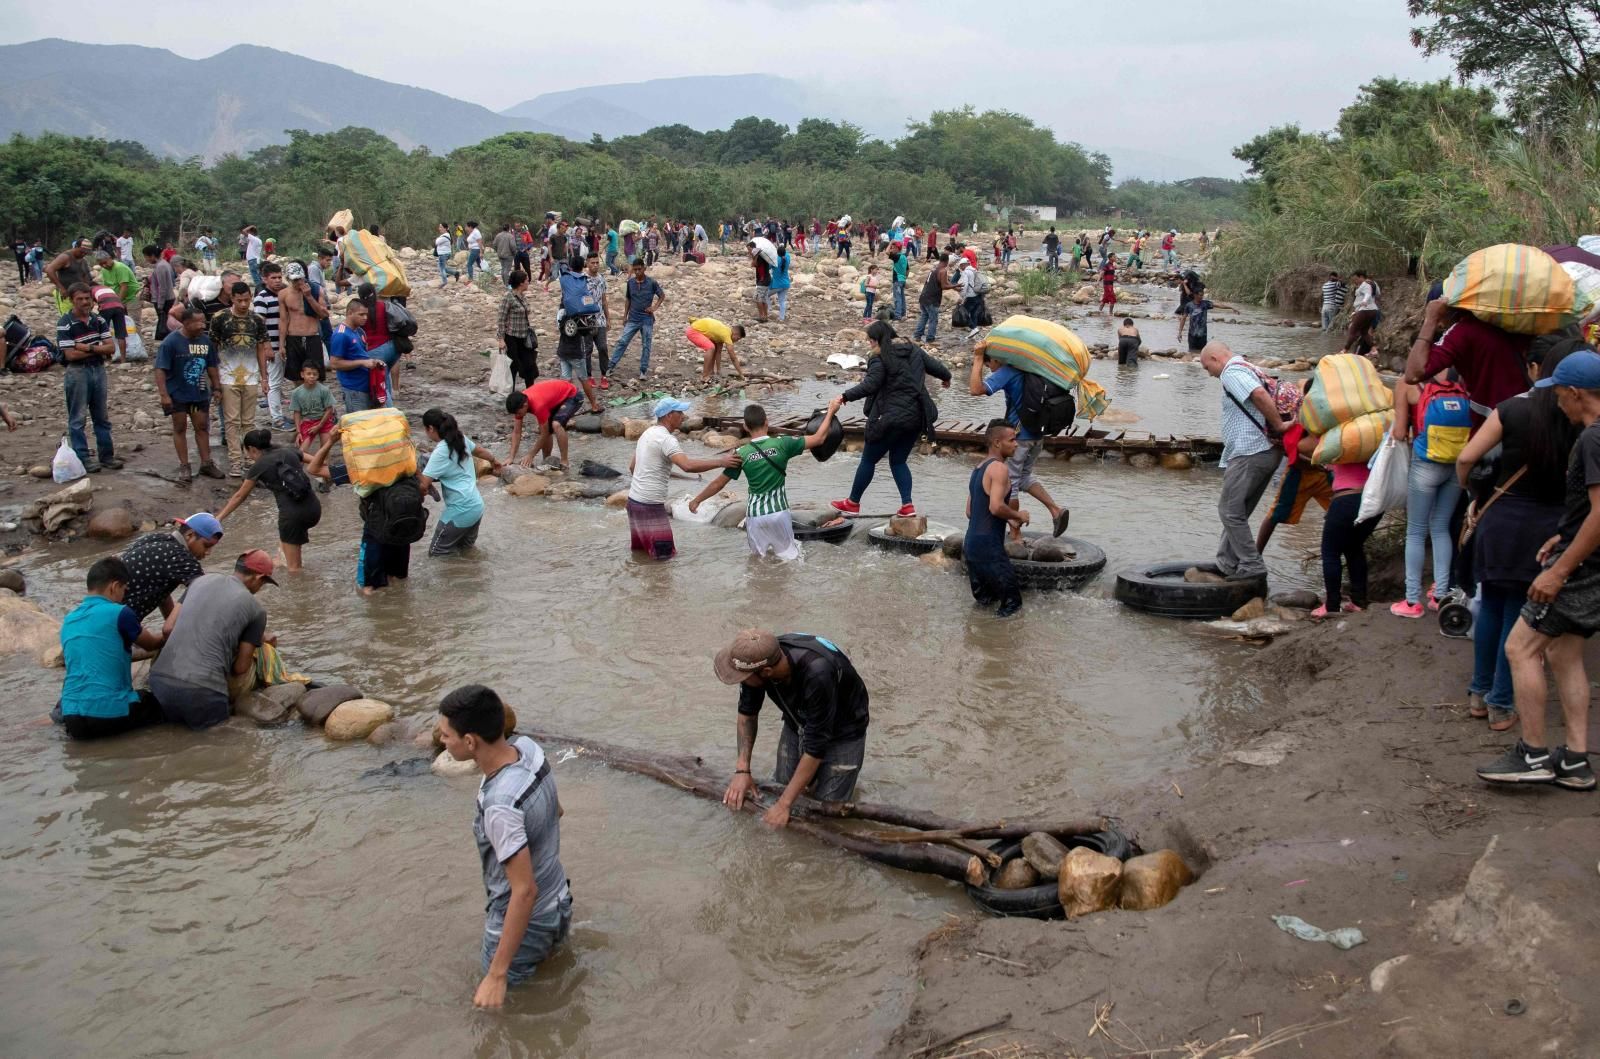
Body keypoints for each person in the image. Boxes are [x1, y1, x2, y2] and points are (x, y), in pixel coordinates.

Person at [1476, 350, 1600, 791]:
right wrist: (1562, 537)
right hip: (1582, 558)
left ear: (1575, 393)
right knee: (1565, 656)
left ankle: (1532, 754)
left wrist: (1559, 569)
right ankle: (1575, 761)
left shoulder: (1591, 439)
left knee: (1520, 649)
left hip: (1581, 569)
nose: (1557, 406)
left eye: (1560, 396)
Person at [1457, 338, 1583, 731]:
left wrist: (1474, 496)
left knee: (1492, 606)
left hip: (1501, 521)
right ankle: (1501, 703)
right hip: (1548, 526)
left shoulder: (1511, 409)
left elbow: (1466, 458)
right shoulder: (1578, 419)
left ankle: (1479, 694)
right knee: (1520, 615)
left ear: (1537, 369)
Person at [435, 685, 570, 1006]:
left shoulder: (499, 806)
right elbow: (558, 810)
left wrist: (497, 975)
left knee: (499, 1015)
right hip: (560, 902)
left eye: (445, 735)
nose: (441, 741)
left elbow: (523, 892)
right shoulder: (529, 749)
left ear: (470, 742)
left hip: (526, 924)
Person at [715, 628, 870, 828]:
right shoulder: (758, 658)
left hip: (845, 730)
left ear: (767, 672)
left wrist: (784, 804)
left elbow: (815, 748)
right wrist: (742, 771)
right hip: (798, 718)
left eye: (742, 677)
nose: (741, 680)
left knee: (825, 815)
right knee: (779, 788)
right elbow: (747, 714)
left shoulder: (817, 674)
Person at [688, 399, 844, 561]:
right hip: (779, 513)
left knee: (758, 560)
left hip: (755, 517)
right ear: (766, 422)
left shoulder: (741, 453)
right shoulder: (783, 443)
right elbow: (819, 438)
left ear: (746, 427)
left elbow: (718, 483)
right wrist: (831, 411)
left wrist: (697, 501)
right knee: (789, 558)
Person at [831, 321, 951, 517]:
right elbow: (940, 369)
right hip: (916, 418)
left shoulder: (879, 358)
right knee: (898, 461)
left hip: (888, 418)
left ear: (878, 340)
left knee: (868, 459)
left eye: (870, 340)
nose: (869, 344)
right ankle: (907, 506)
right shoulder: (913, 350)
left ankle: (853, 503)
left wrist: (844, 396)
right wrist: (946, 379)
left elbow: (871, 384)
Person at [148, 549, 276, 728]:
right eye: (263, 583)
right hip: (203, 692)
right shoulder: (256, 610)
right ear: (258, 577)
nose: (260, 588)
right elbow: (240, 668)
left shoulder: (199, 581)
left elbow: (168, 629)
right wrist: (257, 644)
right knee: (219, 739)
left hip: (158, 682)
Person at [55, 557, 169, 740]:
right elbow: (152, 643)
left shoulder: (69, 621)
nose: (125, 594)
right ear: (114, 587)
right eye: (124, 589)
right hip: (108, 715)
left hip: (72, 718)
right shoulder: (120, 613)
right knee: (156, 705)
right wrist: (172, 631)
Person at [1201, 342, 1286, 580]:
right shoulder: (1248, 366)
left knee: (1228, 510)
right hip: (1267, 451)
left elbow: (1258, 394)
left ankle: (1251, 564)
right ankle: (1227, 563)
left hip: (1251, 450)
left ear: (1217, 359)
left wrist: (1278, 425)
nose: (1209, 373)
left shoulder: (1232, 372)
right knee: (1238, 510)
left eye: (1207, 367)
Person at [1388, 372, 1470, 617]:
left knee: (1415, 531)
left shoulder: (1409, 382)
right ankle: (1440, 595)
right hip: (1456, 464)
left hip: (1425, 463)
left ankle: (1412, 601)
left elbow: (1400, 432)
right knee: (1441, 527)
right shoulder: (1460, 381)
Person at [968, 347, 1071, 538]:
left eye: (990, 364)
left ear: (998, 359)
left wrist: (978, 358)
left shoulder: (1008, 371)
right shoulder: (1036, 369)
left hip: (1017, 438)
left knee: (1011, 483)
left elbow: (975, 389)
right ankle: (1055, 510)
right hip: (1037, 435)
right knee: (1024, 477)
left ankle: (1015, 534)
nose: (991, 369)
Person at [626, 397, 741, 560]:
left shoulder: (647, 433)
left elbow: (632, 467)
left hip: (634, 503)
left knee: (641, 555)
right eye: (679, 412)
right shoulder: (666, 439)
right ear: (668, 415)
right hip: (651, 507)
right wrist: (721, 462)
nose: (683, 416)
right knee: (664, 559)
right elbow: (687, 466)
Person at [214, 429, 328, 571]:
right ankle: (280, 559)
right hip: (313, 509)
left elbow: (239, 496)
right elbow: (317, 463)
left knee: (294, 570)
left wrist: (219, 518)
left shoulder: (258, 467)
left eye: (247, 452)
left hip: (292, 517)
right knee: (285, 544)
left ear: (252, 449)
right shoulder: (289, 451)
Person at [55, 283, 122, 474]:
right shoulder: (65, 322)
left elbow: (111, 348)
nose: (85, 302)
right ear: (71, 300)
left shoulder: (98, 319)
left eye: (87, 298)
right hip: (77, 372)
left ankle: (106, 456)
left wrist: (87, 348)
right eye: (80, 299)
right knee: (78, 418)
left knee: (101, 416)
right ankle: (83, 458)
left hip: (97, 370)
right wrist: (98, 349)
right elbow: (70, 356)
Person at [965, 420, 1030, 616]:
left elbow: (970, 511)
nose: (1016, 444)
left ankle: (975, 642)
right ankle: (998, 645)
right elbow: (995, 507)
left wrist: (1007, 519)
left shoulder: (978, 469)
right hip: (989, 548)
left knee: (985, 603)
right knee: (1012, 606)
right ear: (997, 442)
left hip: (971, 546)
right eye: (1012, 439)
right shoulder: (999, 469)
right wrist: (1018, 514)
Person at [416, 408, 501, 557]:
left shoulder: (441, 451)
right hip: (476, 507)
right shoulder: (459, 438)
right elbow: (480, 451)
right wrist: (494, 461)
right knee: (466, 553)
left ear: (430, 428)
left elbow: (423, 485)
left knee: (437, 553)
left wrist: (413, 470)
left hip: (460, 510)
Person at [119, 514, 224, 632]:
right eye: (206, 546)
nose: (208, 552)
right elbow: (202, 590)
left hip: (104, 613)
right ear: (190, 535)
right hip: (117, 624)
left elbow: (162, 590)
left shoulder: (156, 539)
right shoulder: (181, 557)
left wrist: (171, 622)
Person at [209, 280, 271, 476]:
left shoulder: (257, 320)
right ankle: (235, 460)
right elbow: (213, 348)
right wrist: (215, 380)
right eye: (239, 300)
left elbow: (261, 348)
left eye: (246, 300)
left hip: (251, 376)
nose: (244, 304)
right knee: (231, 421)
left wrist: (264, 378)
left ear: (251, 298)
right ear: (232, 299)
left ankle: (248, 458)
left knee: (249, 422)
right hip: (228, 376)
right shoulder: (220, 318)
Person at [155, 304, 223, 482]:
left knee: (202, 426)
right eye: (197, 323)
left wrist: (216, 387)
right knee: (179, 427)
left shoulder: (205, 341)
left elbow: (212, 366)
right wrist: (164, 395)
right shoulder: (170, 343)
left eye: (203, 322)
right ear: (185, 323)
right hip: (177, 393)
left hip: (199, 393)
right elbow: (160, 369)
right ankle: (184, 465)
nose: (202, 326)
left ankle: (206, 463)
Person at [1312, 441, 1377, 618]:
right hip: (1374, 499)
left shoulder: (1341, 436)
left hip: (1346, 498)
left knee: (1330, 551)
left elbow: (1310, 448)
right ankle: (1358, 601)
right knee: (1354, 547)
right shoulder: (1372, 436)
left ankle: (1331, 605)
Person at [504, 378, 601, 470]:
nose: (517, 416)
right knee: (545, 428)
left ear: (525, 405)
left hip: (573, 395)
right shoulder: (520, 404)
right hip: (554, 399)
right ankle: (547, 460)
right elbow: (516, 433)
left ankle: (564, 461)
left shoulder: (538, 405)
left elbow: (544, 434)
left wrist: (531, 455)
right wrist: (511, 457)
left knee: (556, 424)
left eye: (518, 413)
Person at [608, 259, 665, 379]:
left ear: (644, 268)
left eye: (640, 269)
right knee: (623, 341)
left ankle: (643, 371)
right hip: (633, 318)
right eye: (635, 269)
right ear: (633, 269)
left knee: (646, 345)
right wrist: (625, 316)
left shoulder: (651, 282)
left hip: (646, 319)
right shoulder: (631, 283)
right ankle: (611, 366)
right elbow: (628, 299)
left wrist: (654, 307)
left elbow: (661, 295)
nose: (638, 272)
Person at [252, 262, 289, 429]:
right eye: (273, 278)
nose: (277, 281)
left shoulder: (284, 294)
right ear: (264, 279)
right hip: (272, 345)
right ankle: (277, 418)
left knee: (281, 381)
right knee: (274, 382)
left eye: (279, 277)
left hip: (285, 344)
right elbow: (260, 325)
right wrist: (266, 346)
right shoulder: (262, 298)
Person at [328, 301, 383, 413]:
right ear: (349, 313)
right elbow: (334, 363)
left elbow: (361, 354)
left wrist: (373, 362)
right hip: (354, 389)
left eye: (366, 314)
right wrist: (362, 363)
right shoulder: (341, 334)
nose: (365, 318)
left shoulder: (359, 331)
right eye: (361, 314)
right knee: (358, 426)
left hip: (368, 386)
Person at [279, 262, 327, 381]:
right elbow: (283, 320)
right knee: (296, 376)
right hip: (293, 337)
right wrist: (281, 345)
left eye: (300, 279)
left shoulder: (316, 290)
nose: (299, 282)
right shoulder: (283, 294)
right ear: (288, 279)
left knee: (316, 375)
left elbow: (324, 315)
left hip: (312, 336)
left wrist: (309, 297)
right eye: (295, 280)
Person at [496, 270, 538, 389]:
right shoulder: (508, 297)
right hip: (511, 337)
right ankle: (512, 396)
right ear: (520, 283)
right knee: (513, 367)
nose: (528, 282)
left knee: (529, 366)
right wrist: (500, 339)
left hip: (524, 337)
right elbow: (501, 319)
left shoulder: (522, 297)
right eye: (526, 281)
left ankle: (531, 394)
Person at [291, 363, 337, 456]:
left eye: (314, 374)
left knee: (325, 450)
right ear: (302, 374)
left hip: (324, 421)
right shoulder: (296, 393)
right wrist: (298, 431)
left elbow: (329, 410)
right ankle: (310, 466)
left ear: (318, 375)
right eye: (309, 374)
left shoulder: (324, 390)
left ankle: (324, 468)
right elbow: (297, 412)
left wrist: (319, 426)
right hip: (308, 422)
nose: (312, 376)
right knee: (301, 452)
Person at [46, 238, 97, 316]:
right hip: (66, 292)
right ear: (76, 247)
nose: (83, 254)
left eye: (86, 253)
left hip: (80, 294)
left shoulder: (83, 260)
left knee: (82, 315)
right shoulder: (65, 257)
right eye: (82, 252)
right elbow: (49, 270)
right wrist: (61, 288)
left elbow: (86, 278)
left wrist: (90, 296)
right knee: (67, 316)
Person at [913, 253, 956, 344]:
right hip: (932, 300)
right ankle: (930, 338)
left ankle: (917, 335)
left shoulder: (934, 270)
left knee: (924, 316)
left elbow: (944, 282)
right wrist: (955, 286)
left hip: (924, 297)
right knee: (933, 319)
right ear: (947, 261)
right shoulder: (943, 271)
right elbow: (944, 286)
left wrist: (954, 286)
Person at [687, 318, 747, 384]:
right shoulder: (726, 335)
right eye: (737, 338)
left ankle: (711, 372)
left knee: (714, 348)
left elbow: (718, 353)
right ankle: (704, 376)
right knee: (711, 348)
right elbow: (733, 358)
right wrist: (741, 374)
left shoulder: (722, 333)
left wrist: (718, 370)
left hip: (696, 329)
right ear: (735, 333)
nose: (736, 341)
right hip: (693, 331)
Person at [582, 253, 611, 387]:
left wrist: (608, 318)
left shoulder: (601, 279)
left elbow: (604, 300)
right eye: (592, 263)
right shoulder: (583, 279)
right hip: (587, 320)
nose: (595, 265)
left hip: (600, 319)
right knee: (587, 349)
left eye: (597, 262)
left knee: (603, 348)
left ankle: (604, 375)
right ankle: (589, 376)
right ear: (587, 263)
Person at [1340, 271, 1380, 357]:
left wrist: (1365, 301)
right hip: (1373, 310)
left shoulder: (1366, 284)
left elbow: (1368, 294)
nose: (1355, 281)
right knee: (1364, 332)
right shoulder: (1374, 283)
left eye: (1356, 279)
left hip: (1365, 310)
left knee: (1353, 330)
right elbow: (1377, 294)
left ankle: (1344, 350)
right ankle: (1374, 350)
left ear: (1361, 277)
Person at [769, 243, 792, 322]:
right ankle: (781, 318)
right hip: (786, 283)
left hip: (777, 285)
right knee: (782, 301)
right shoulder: (787, 258)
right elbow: (786, 254)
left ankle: (769, 310)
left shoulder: (775, 260)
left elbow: (768, 267)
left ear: (777, 253)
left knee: (765, 295)